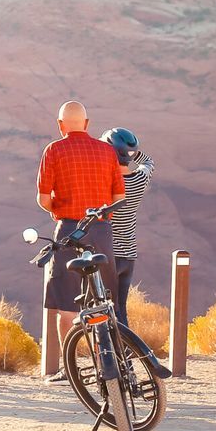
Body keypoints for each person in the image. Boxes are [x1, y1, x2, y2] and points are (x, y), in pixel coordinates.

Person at [37, 100, 126, 378]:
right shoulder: (107, 152)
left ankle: (70, 368)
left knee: (65, 303)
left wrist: (59, 210)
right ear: (87, 124)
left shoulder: (54, 150)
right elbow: (118, 198)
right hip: (101, 231)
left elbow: (42, 199)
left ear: (60, 125)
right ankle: (106, 363)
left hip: (68, 232)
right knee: (103, 299)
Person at [102, 127, 153, 328]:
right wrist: (134, 152)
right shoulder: (140, 179)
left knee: (108, 309)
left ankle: (112, 354)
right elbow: (149, 162)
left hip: (109, 254)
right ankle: (127, 355)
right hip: (128, 254)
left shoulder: (107, 182)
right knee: (120, 307)